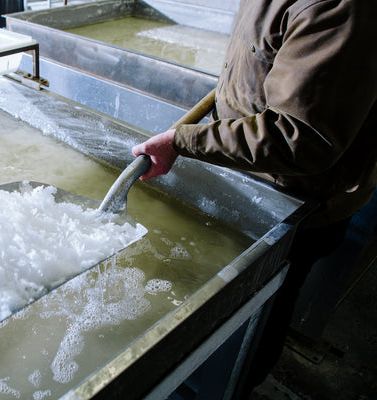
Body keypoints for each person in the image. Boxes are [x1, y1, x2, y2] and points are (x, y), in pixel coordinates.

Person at [132, 0, 377, 396]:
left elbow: (299, 138)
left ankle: (234, 386)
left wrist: (182, 141)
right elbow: (257, 65)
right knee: (226, 305)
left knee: (258, 318)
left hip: (299, 203)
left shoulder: (339, 10)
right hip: (251, 180)